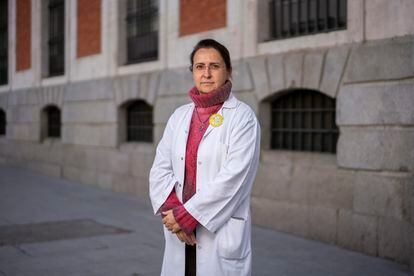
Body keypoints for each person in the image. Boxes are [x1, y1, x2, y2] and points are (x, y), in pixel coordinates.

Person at [149, 39, 260, 276]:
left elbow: (234, 179)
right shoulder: (179, 116)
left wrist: (187, 216)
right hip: (180, 232)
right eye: (199, 67)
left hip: (217, 232)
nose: (206, 74)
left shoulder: (242, 118)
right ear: (193, 72)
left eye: (214, 66)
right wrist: (175, 215)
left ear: (228, 71)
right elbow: (160, 168)